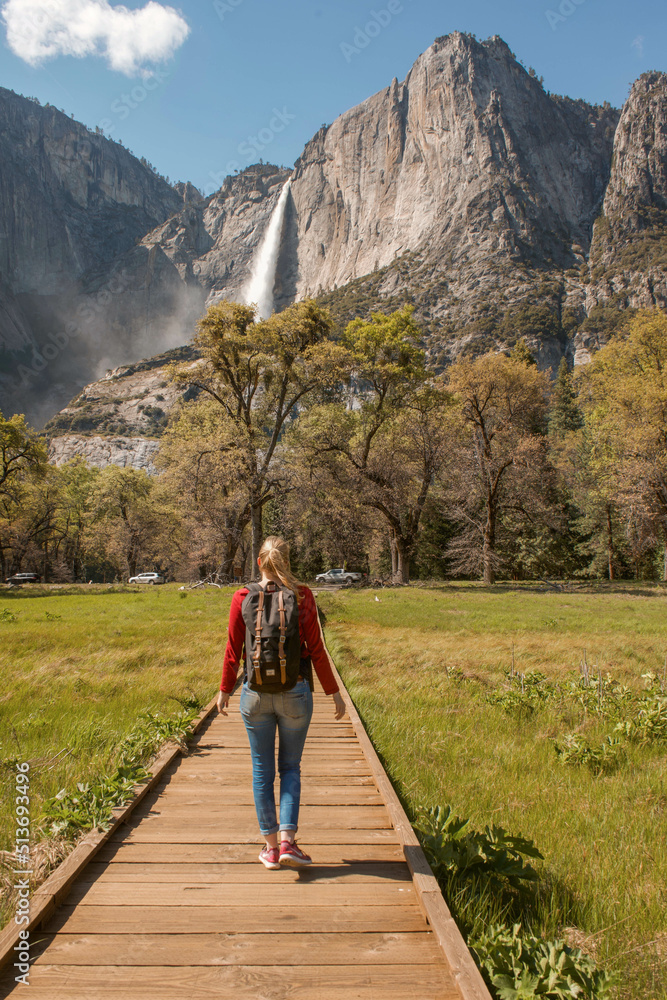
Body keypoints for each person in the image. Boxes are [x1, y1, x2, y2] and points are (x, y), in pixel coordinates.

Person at [216, 536, 345, 869]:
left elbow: (234, 651)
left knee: (262, 772)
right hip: (296, 693)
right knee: (290, 768)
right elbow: (316, 648)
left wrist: (225, 690)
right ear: (287, 562)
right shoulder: (302, 596)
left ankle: (270, 849)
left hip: (255, 695)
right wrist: (334, 693)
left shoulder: (241, 596)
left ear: (258, 562)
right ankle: (288, 843)